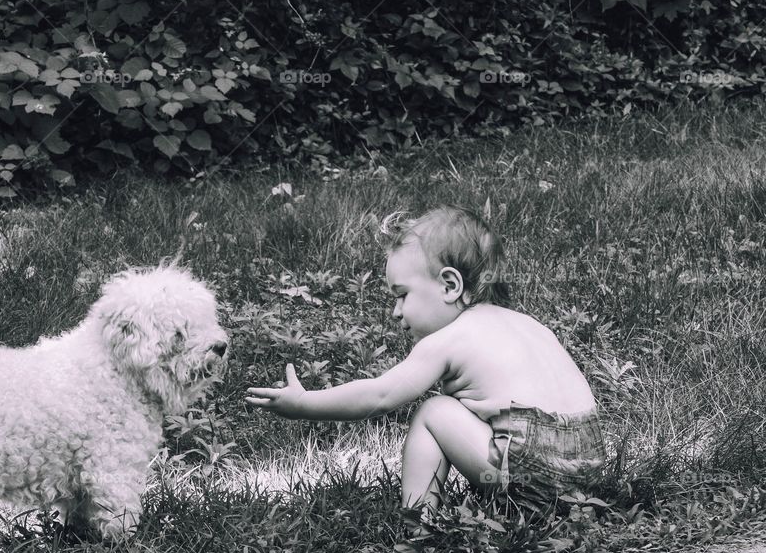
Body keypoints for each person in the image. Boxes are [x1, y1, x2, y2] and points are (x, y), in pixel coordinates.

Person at [245, 205, 606, 513]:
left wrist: (305, 403)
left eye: (402, 295)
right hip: (590, 469)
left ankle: (421, 520)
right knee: (466, 414)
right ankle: (557, 505)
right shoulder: (528, 324)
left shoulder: (450, 338)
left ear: (450, 286)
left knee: (434, 412)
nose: (396, 312)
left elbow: (379, 395)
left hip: (531, 476)